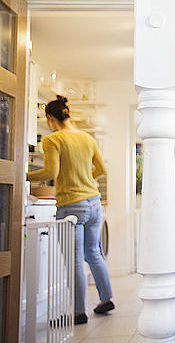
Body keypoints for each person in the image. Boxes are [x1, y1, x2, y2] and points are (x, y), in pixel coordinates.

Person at [27, 95, 114, 325]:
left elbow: (50, 172)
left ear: (49, 118)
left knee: (74, 259)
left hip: (71, 205)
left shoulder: (52, 140)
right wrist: (85, 180)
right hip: (94, 201)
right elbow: (101, 168)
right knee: (93, 252)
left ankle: (78, 312)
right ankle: (106, 298)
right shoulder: (87, 138)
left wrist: (23, 175)